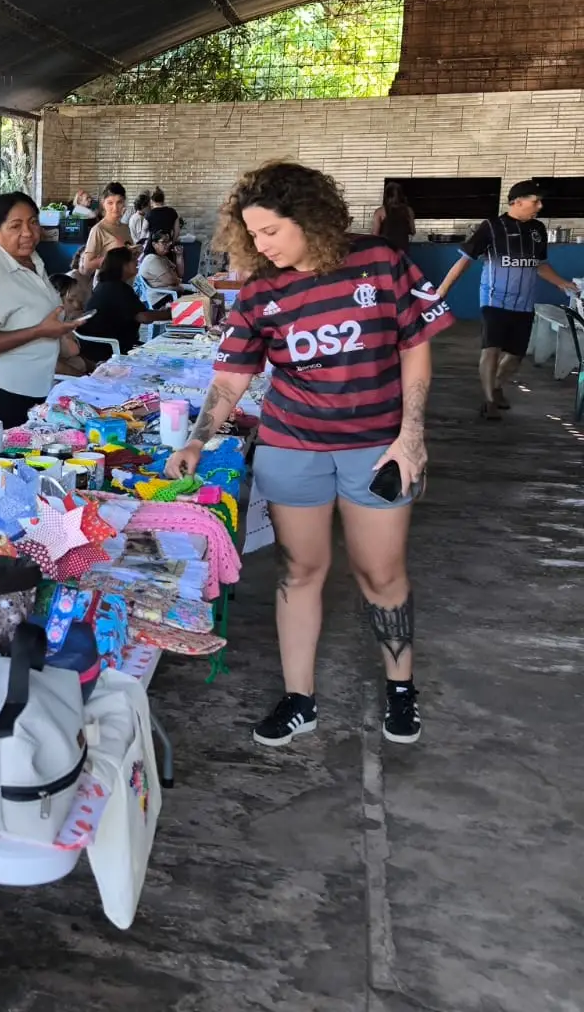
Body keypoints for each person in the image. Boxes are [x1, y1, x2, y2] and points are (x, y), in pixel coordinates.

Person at [166, 161, 454, 750]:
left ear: (309, 219)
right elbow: (230, 380)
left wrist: (412, 435)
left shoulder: (379, 261)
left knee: (382, 572)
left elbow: (414, 352)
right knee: (300, 571)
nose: (260, 245)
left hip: (377, 448)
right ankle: (300, 699)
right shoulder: (259, 291)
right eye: (251, 234)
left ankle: (401, 688)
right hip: (292, 446)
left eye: (270, 231)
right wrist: (199, 437)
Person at [435, 180, 577, 420]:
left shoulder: (538, 230)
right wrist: (441, 292)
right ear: (517, 202)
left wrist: (562, 283)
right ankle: (489, 400)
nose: (540, 206)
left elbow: (539, 265)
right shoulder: (491, 227)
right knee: (491, 349)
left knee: (515, 356)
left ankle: (497, 384)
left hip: (524, 303)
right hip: (494, 300)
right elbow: (465, 260)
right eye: (535, 201)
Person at [0, 192, 82, 426]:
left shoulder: (31, 259)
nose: (27, 232)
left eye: (33, 222)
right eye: (15, 226)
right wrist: (39, 331)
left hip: (30, 387)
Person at [79, 248, 171, 364]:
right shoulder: (117, 288)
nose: (137, 262)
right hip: (109, 348)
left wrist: (161, 313)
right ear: (123, 265)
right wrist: (172, 314)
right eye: (133, 260)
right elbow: (144, 317)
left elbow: (140, 315)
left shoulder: (107, 285)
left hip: (102, 345)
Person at [79, 181, 133, 281]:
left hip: (126, 284)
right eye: (110, 203)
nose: (115, 208)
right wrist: (114, 259)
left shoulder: (125, 228)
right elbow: (87, 264)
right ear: (103, 203)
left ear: (124, 203)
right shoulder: (98, 230)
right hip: (108, 285)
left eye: (119, 202)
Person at [138, 207, 187, 290]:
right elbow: (171, 280)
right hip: (162, 298)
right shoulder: (152, 259)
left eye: (169, 241)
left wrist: (179, 256)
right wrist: (176, 280)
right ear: (154, 244)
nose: (168, 244)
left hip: (173, 294)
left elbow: (180, 274)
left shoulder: (163, 257)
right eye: (164, 242)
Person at [372, 182, 415, 253]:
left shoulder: (380, 211)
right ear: (401, 195)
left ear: (386, 195)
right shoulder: (408, 210)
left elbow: (375, 235)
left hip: (385, 252)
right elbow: (413, 231)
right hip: (403, 252)